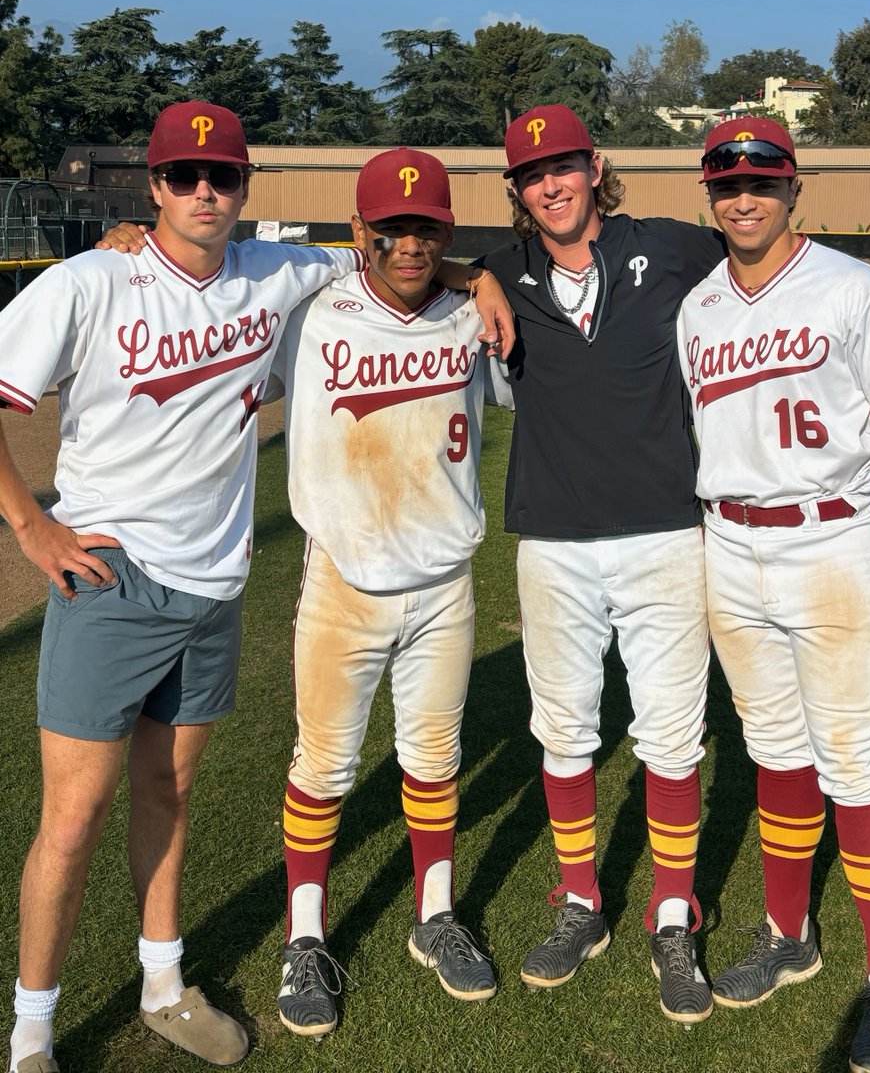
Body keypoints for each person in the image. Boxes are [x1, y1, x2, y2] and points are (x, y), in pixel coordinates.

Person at [0, 103, 512, 1073]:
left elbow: (390, 258)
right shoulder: (92, 282)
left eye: (222, 177)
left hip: (213, 584)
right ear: (153, 186)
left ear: (244, 188)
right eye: (184, 176)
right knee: (72, 819)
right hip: (110, 578)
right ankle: (32, 1033)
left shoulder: (278, 274)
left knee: (172, 788)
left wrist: (472, 271)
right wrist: (35, 527)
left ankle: (162, 984)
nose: (204, 192)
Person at [476, 104, 870, 1026]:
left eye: (564, 164)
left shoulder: (675, 249)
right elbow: (404, 264)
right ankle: (582, 903)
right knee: (563, 729)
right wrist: (467, 271)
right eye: (531, 172)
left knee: (674, 735)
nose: (551, 183)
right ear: (513, 190)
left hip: (675, 534)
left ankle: (674, 912)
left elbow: (775, 248)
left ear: (595, 167)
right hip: (555, 537)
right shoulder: (506, 271)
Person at [677, 116, 870, 1073]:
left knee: (856, 763)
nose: (743, 197)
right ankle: (789, 933)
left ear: (795, 188)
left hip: (832, 538)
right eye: (725, 183)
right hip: (730, 545)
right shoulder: (698, 305)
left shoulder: (851, 287)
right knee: (774, 752)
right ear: (707, 195)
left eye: (761, 180)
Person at [266, 147, 512, 1038]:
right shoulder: (308, 313)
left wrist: (482, 278)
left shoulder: (473, 314)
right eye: (392, 227)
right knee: (324, 766)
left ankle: (435, 915)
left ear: (449, 230)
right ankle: (304, 937)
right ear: (361, 229)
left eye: (427, 227)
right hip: (343, 579)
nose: (410, 243)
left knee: (434, 758)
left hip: (445, 579)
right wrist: (130, 238)